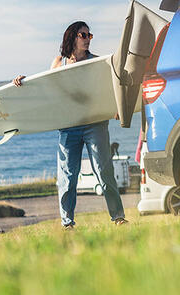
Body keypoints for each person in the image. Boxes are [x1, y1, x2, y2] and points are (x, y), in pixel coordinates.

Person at [14, 21, 127, 229]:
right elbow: (47, 87)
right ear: (72, 37)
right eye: (83, 35)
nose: (87, 39)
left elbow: (110, 87)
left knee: (104, 171)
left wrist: (117, 106)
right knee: (67, 176)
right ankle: (67, 224)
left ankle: (118, 218)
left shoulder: (97, 62)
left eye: (89, 35)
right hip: (68, 125)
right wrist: (25, 82)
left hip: (95, 122)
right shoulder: (59, 62)